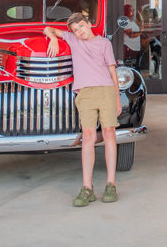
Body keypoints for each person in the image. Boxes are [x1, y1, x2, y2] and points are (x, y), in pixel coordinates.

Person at [44, 13, 123, 207]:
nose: (79, 31)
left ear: (89, 24)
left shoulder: (104, 43)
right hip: (85, 93)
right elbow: (47, 28)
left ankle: (111, 185)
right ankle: (87, 188)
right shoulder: (72, 39)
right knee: (88, 135)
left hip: (106, 90)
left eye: (81, 26)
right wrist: (54, 37)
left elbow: (112, 69)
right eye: (75, 30)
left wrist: (117, 97)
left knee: (109, 133)